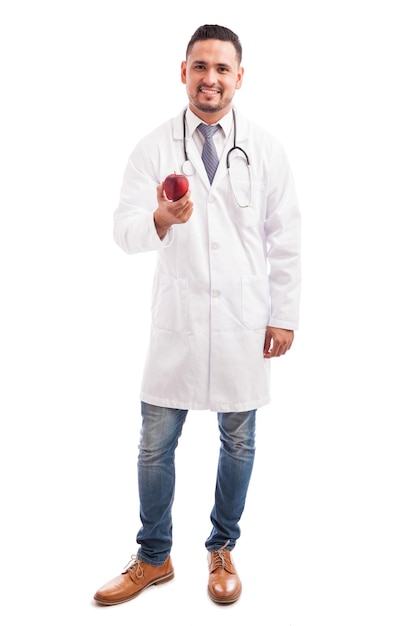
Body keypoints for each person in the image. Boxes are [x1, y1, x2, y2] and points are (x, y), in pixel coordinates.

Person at [94, 23, 301, 606]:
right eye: (200, 66)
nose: (210, 78)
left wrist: (283, 315)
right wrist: (160, 219)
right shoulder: (153, 147)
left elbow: (285, 237)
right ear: (182, 71)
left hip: (243, 323)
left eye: (222, 68)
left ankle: (221, 548)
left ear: (239, 76)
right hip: (178, 324)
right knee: (154, 445)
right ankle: (154, 555)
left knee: (239, 443)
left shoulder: (266, 150)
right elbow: (122, 229)